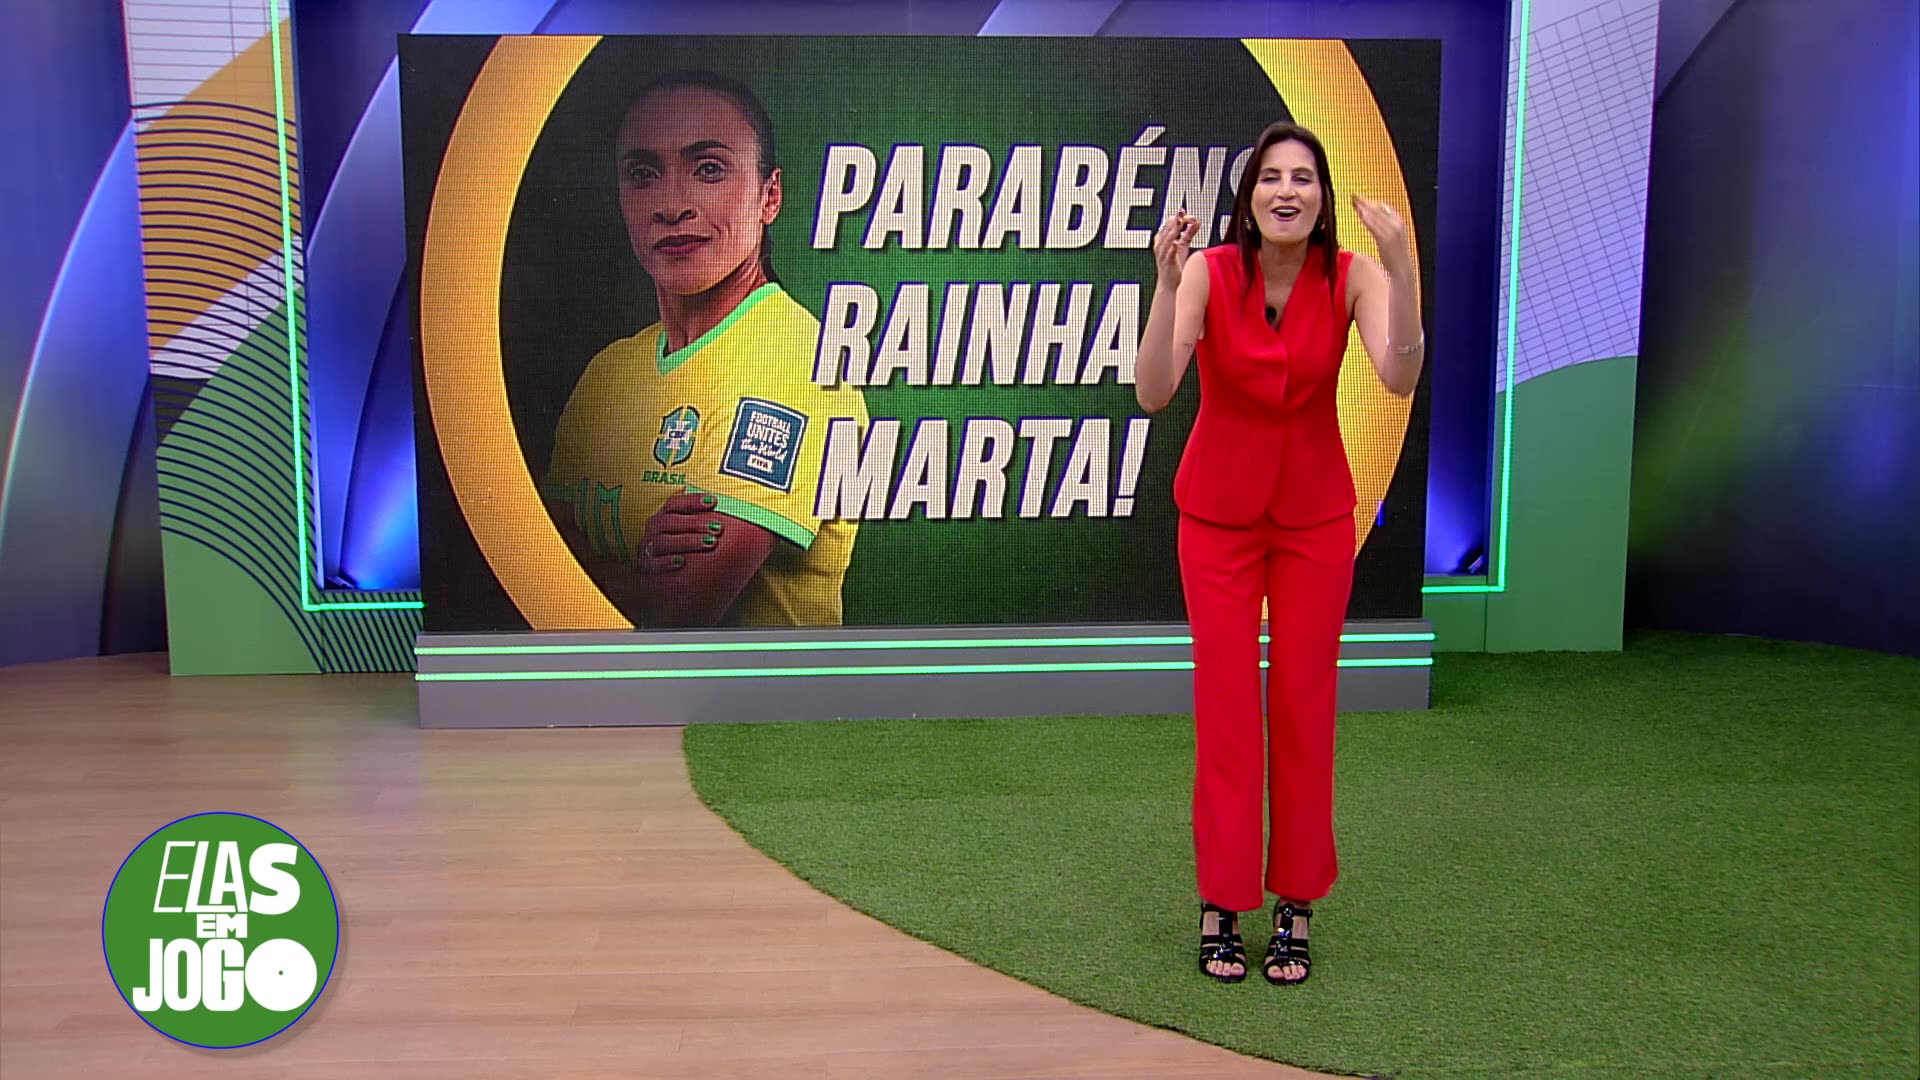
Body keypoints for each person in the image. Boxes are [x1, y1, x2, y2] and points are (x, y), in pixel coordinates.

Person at [1135, 122, 1425, 985]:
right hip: (1217, 520)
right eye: (1271, 177)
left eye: (1303, 177)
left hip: (1313, 521)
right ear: (1250, 196)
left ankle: (1296, 903)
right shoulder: (1208, 272)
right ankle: (1222, 901)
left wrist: (1403, 270)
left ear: (1322, 197)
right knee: (1227, 709)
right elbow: (1153, 392)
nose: (1286, 191)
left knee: (1303, 705)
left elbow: (1400, 374)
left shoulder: (1355, 276)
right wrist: (1163, 287)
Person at [541, 70, 868, 628]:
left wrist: (580, 563)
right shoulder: (608, 370)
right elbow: (526, 541)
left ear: (769, 197)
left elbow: (673, 613)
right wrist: (630, 566)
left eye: (709, 169)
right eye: (643, 175)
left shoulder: (797, 365)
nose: (671, 206)